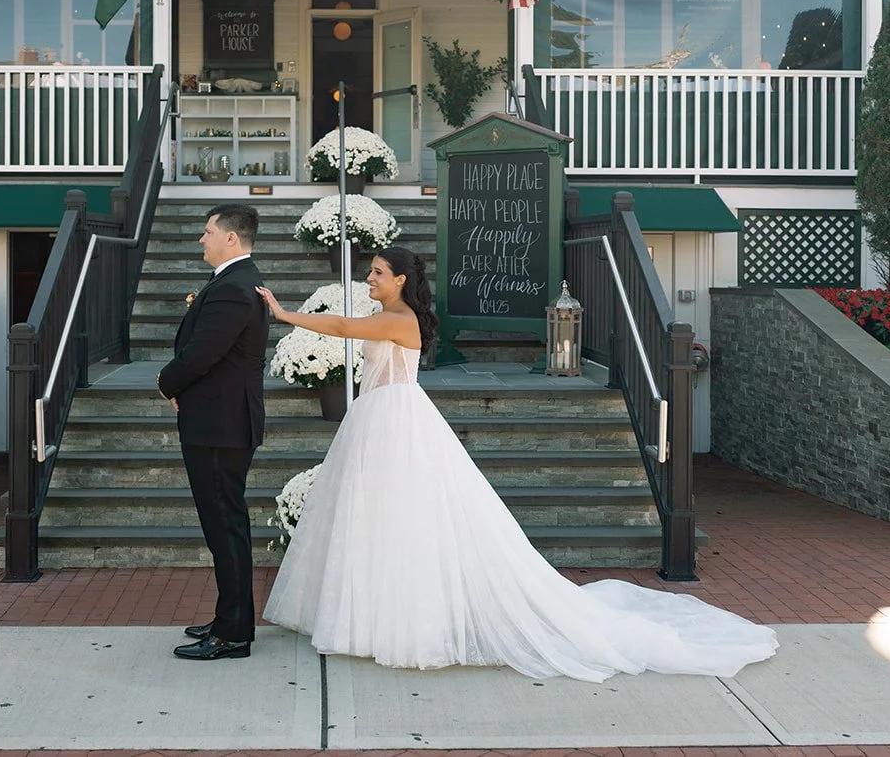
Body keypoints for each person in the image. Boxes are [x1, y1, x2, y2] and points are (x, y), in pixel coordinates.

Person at [255, 245, 778, 683]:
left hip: (394, 423)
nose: (368, 277)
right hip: (379, 421)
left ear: (398, 281)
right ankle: (371, 617)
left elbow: (344, 326)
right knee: (380, 520)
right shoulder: (390, 315)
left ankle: (399, 621)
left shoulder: (396, 320)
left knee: (403, 518)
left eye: (375, 272)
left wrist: (284, 315)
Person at [158, 204, 269, 661]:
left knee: (225, 527)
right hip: (218, 420)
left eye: (207, 232)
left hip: (220, 426)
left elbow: (204, 351)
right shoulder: (234, 282)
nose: (201, 239)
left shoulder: (234, 289)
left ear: (230, 238)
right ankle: (231, 619)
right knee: (224, 526)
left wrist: (167, 382)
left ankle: (234, 633)